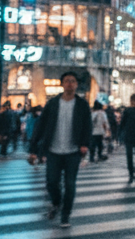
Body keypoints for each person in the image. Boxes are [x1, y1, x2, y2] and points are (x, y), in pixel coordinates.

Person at [29, 71, 91, 228]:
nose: (69, 83)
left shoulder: (82, 104)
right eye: (67, 81)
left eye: (72, 81)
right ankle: (57, 202)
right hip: (53, 150)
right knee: (51, 182)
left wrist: (84, 144)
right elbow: (41, 126)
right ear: (62, 84)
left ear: (76, 84)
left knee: (70, 184)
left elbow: (87, 126)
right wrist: (34, 149)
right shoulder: (53, 103)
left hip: (73, 151)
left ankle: (65, 215)